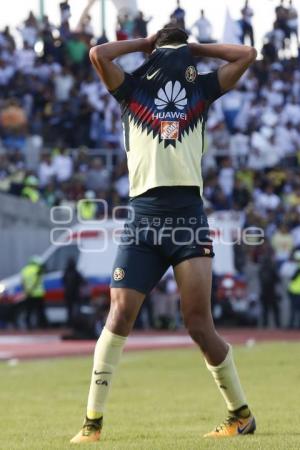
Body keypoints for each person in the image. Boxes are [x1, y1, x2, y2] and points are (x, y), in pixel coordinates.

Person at [71, 27, 257, 443]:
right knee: (119, 316)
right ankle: (92, 424)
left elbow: (247, 53)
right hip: (144, 216)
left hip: (187, 215)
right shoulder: (131, 89)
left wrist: (194, 48)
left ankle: (241, 415)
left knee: (198, 324)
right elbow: (98, 53)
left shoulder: (202, 89)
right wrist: (145, 44)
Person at [21, 257, 47, 329]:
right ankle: (43, 325)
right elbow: (40, 276)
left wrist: (27, 290)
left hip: (29, 294)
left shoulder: (25, 270)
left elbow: (22, 282)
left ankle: (28, 326)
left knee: (29, 311)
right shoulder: (37, 269)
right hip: (38, 294)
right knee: (40, 311)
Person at [62, 257, 84, 326]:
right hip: (75, 294)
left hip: (68, 294)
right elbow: (82, 281)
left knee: (69, 310)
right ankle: (76, 323)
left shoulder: (66, 272)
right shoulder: (76, 272)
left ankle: (70, 323)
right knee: (76, 310)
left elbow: (63, 281)